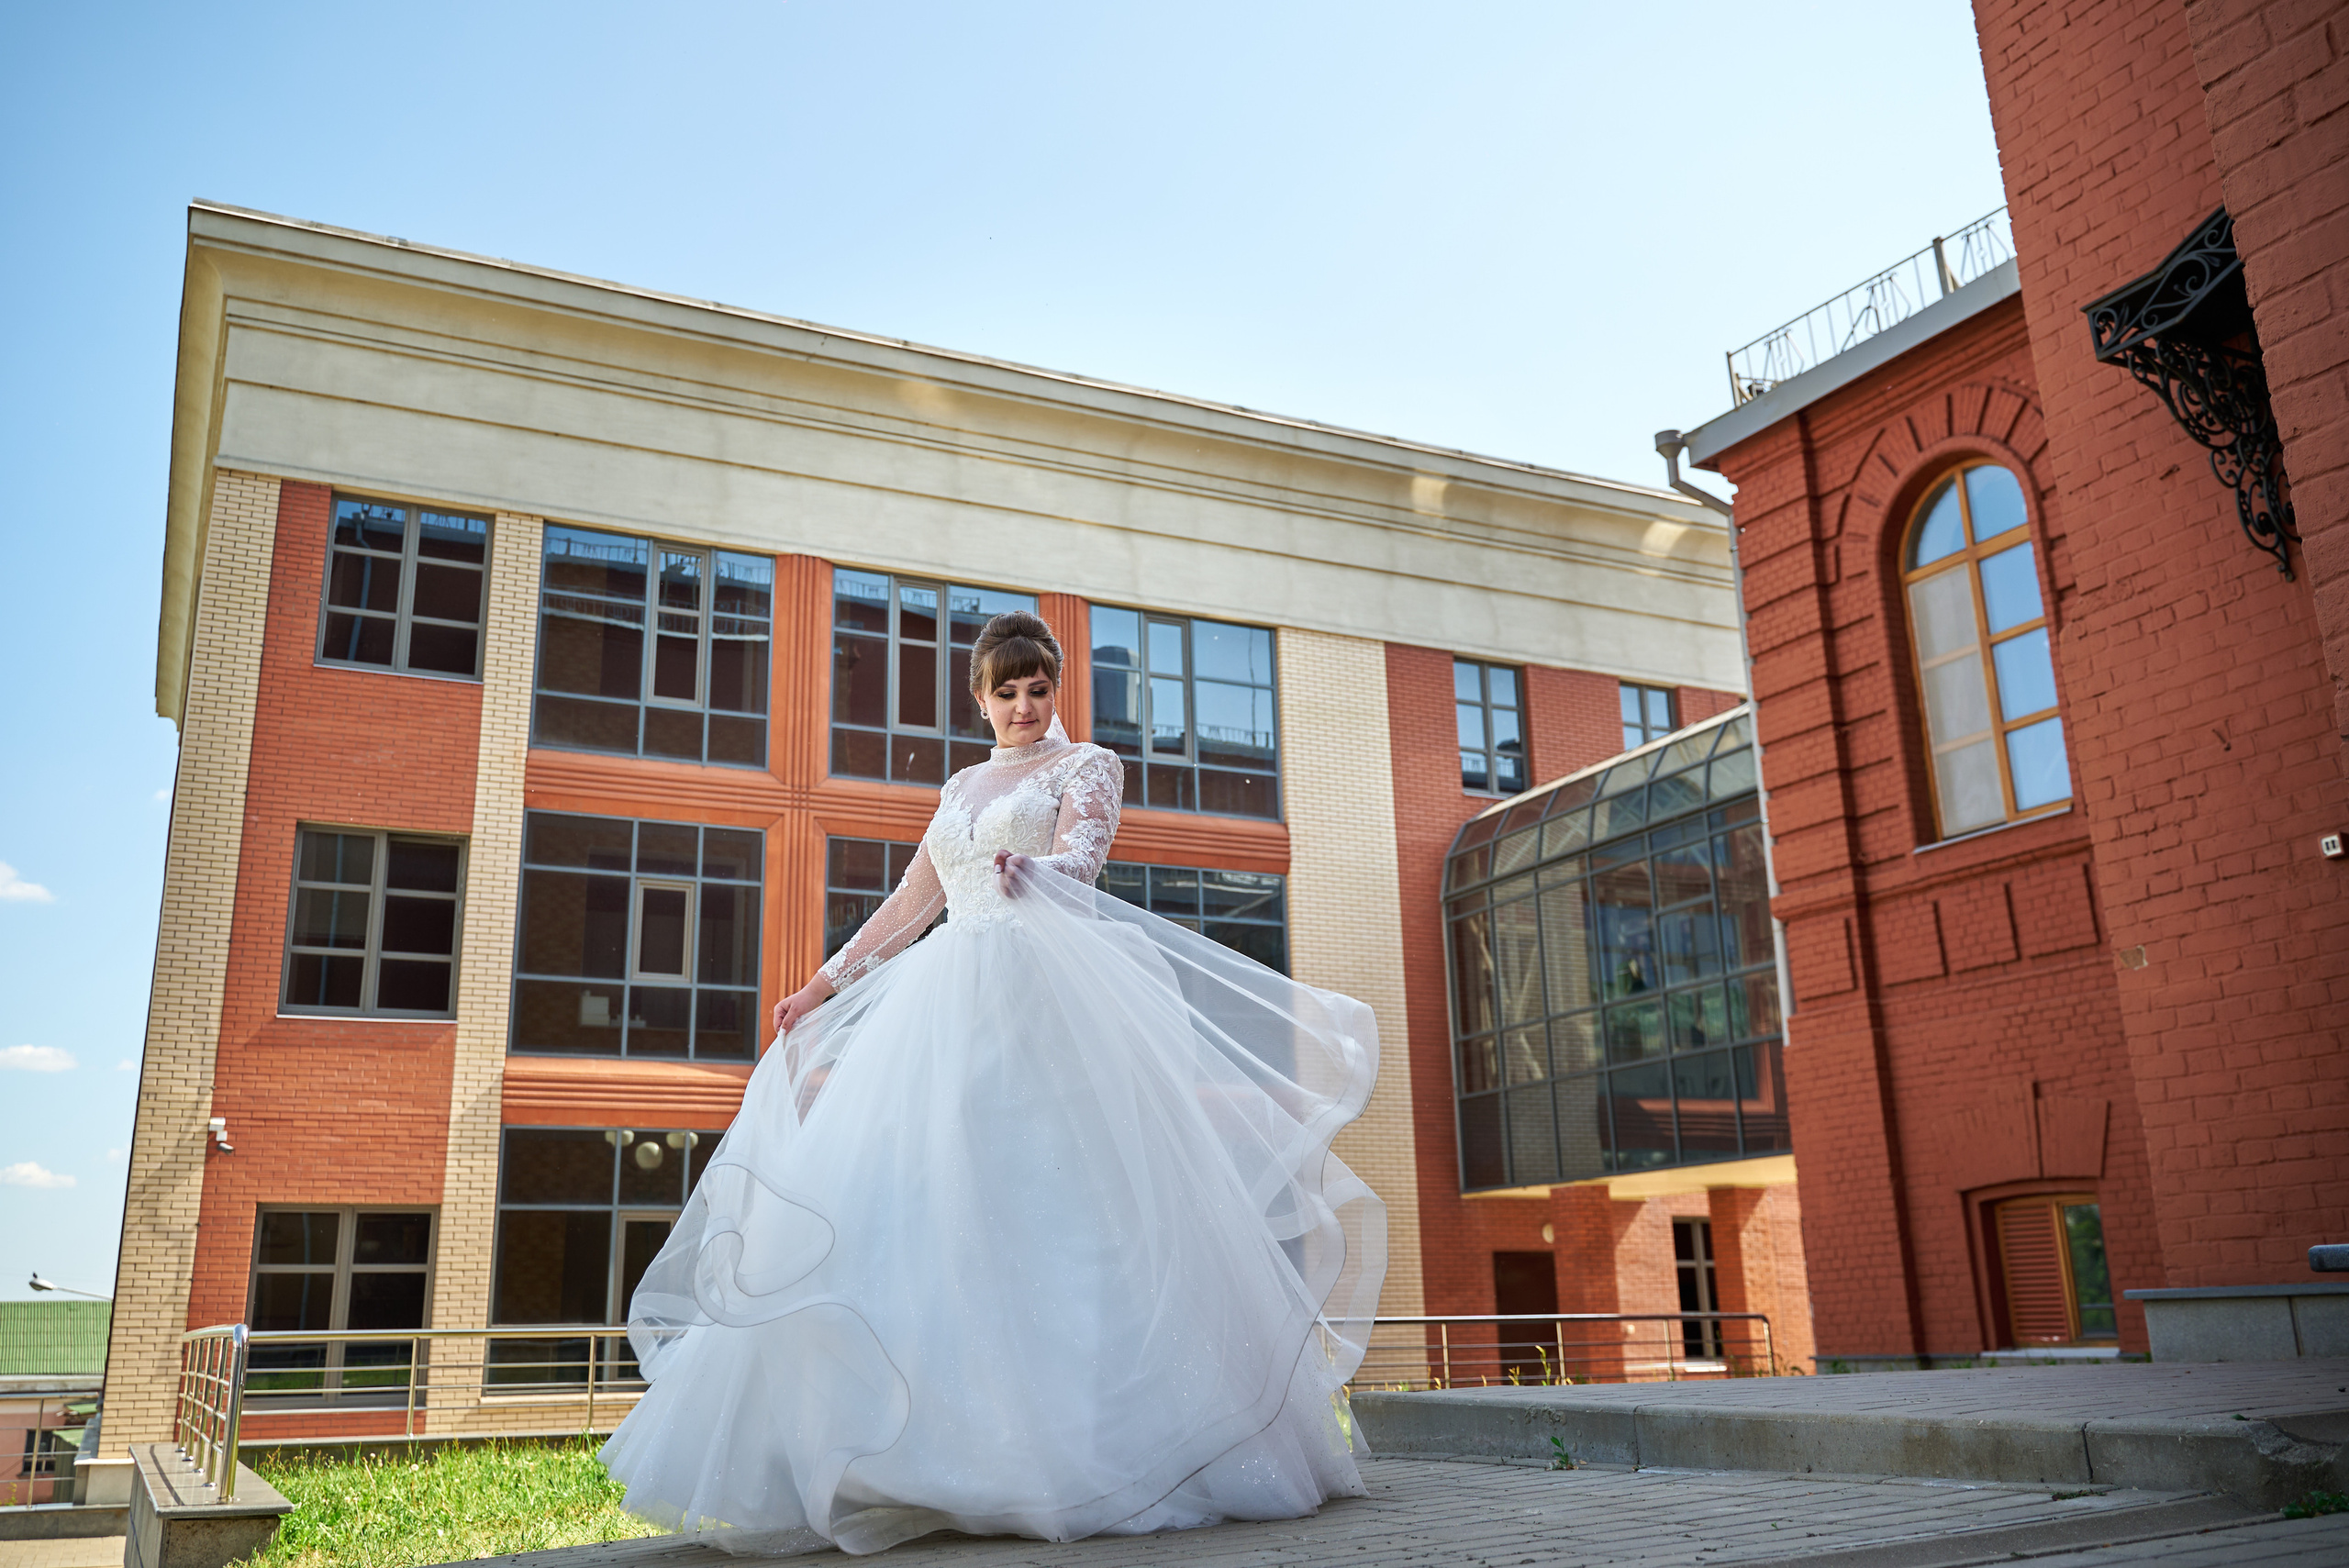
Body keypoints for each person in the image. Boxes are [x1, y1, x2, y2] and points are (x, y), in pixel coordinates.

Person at [599, 610, 1386, 1556]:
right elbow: (912, 902)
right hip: (944, 1004)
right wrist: (816, 985)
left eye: (1037, 687)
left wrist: (1036, 875)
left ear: (1055, 689)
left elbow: (1079, 863)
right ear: (979, 699)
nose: (1023, 705)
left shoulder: (1088, 765)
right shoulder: (963, 784)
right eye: (1005, 691)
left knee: (1059, 1208)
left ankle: (1087, 1450)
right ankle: (903, 1457)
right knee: (916, 1202)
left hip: (1046, 1003)